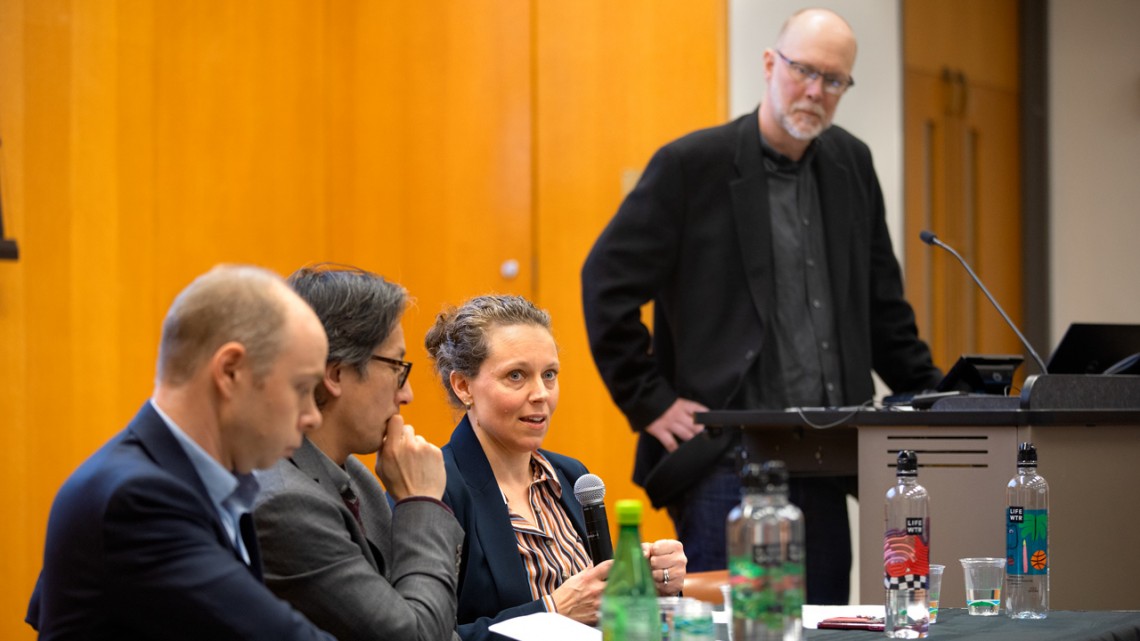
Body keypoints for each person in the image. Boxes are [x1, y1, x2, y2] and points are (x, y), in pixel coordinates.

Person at [581, 8, 942, 604]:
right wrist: (650, 400)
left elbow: (883, 309)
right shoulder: (691, 165)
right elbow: (605, 282)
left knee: (821, 620)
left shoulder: (852, 163)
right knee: (738, 625)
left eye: (834, 80)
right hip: (728, 453)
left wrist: (939, 398)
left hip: (828, 452)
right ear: (771, 64)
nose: (815, 91)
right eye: (804, 71)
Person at [26, 264, 337, 640]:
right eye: (301, 388)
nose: (312, 416)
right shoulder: (134, 500)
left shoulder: (205, 485)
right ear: (230, 371)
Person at [425, 295, 687, 641]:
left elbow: (602, 608)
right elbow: (425, 635)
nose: (541, 394)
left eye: (549, 375)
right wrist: (551, 612)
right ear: (463, 386)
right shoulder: (434, 488)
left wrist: (646, 582)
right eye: (516, 376)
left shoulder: (572, 476)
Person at [252, 264, 463, 641]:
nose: (407, 394)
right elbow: (414, 637)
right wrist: (421, 502)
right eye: (396, 366)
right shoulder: (284, 503)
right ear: (334, 375)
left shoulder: (355, 477)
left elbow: (436, 621)